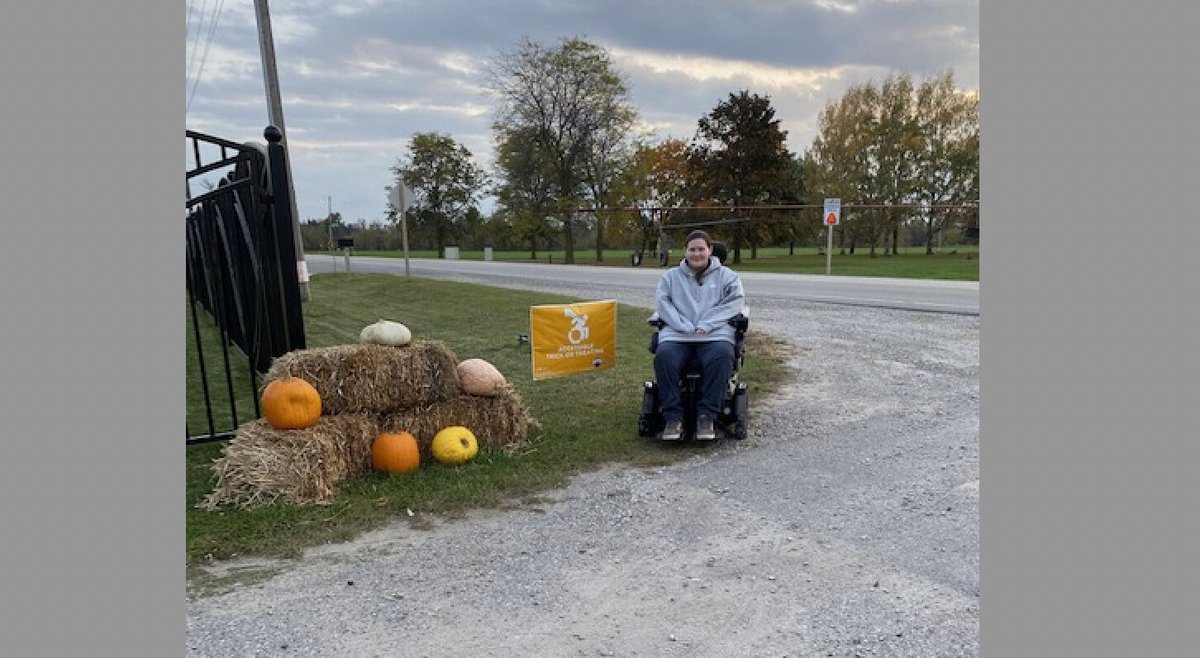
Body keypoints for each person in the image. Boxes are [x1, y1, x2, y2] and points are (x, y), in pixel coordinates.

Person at [653, 230, 745, 440]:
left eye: (701, 249)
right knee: (664, 356)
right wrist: (684, 326)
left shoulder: (728, 277)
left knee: (722, 355)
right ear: (685, 252)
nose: (697, 254)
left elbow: (734, 303)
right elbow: (663, 305)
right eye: (692, 249)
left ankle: (707, 416)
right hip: (678, 335)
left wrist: (707, 324)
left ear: (710, 250)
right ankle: (673, 418)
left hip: (715, 335)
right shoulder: (670, 277)